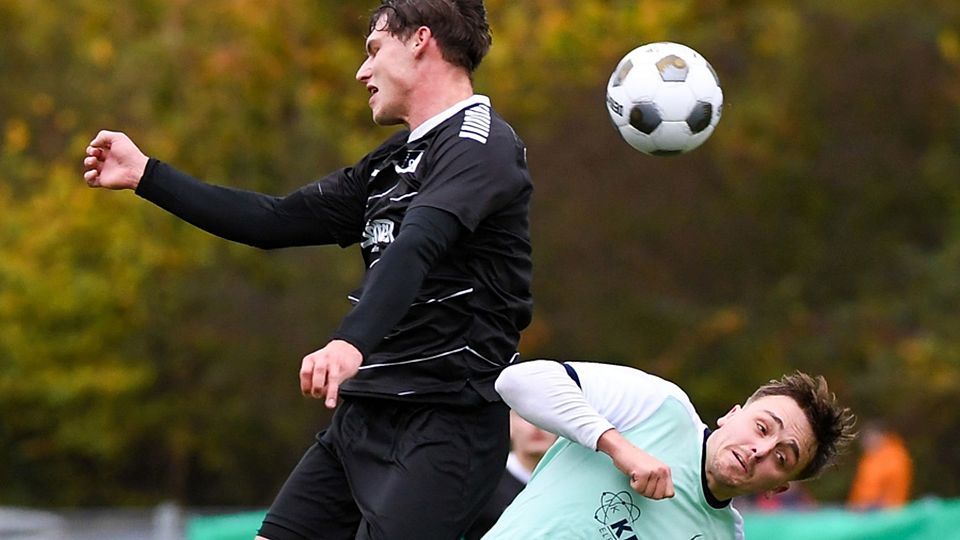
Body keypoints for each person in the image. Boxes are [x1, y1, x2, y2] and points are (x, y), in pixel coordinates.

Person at [81, 1, 533, 538]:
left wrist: (349, 342)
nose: (362, 72)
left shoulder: (480, 144)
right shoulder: (388, 163)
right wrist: (147, 175)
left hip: (444, 423)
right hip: (363, 416)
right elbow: (271, 221)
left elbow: (419, 244)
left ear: (420, 41)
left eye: (373, 50)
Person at [484, 360, 857, 539]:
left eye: (781, 457)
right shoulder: (660, 406)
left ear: (778, 488)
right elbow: (517, 381)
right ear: (732, 414)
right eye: (762, 427)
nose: (760, 449)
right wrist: (619, 448)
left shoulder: (724, 536)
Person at [463, 410, 558, 539]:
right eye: (525, 416)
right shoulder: (483, 481)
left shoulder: (572, 483)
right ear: (508, 423)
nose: (536, 425)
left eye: (546, 415)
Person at [847, 420, 913, 510]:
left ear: (880, 436)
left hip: (883, 510)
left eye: (868, 438)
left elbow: (891, 488)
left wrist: (868, 504)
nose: (865, 443)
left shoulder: (893, 457)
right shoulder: (870, 458)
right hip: (864, 509)